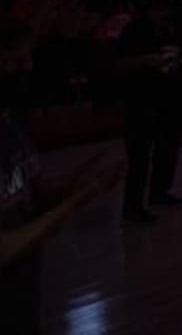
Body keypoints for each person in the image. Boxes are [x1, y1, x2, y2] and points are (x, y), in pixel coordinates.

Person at [1, 108, 122, 334]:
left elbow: (29, 199)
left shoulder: (12, 126)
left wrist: (75, 183)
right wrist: (78, 198)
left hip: (25, 294)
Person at [115, 0, 182, 223]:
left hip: (168, 97)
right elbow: (118, 66)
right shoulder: (134, 32)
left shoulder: (170, 29)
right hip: (140, 100)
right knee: (140, 157)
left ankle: (159, 192)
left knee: (168, 147)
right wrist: (147, 61)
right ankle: (132, 207)